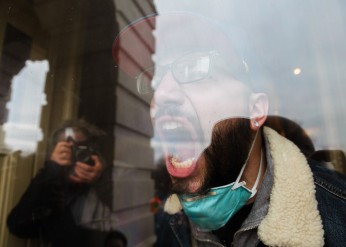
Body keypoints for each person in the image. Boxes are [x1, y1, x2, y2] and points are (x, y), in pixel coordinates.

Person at [112, 10, 346, 247]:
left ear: (254, 111)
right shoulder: (168, 221)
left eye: (193, 68)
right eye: (157, 78)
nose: (161, 95)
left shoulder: (338, 217)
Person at [7, 119, 113, 247]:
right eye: (69, 149)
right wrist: (51, 169)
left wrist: (100, 179)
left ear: (94, 152)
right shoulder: (52, 184)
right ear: (56, 151)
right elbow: (18, 226)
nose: (76, 154)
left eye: (81, 148)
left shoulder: (108, 180)